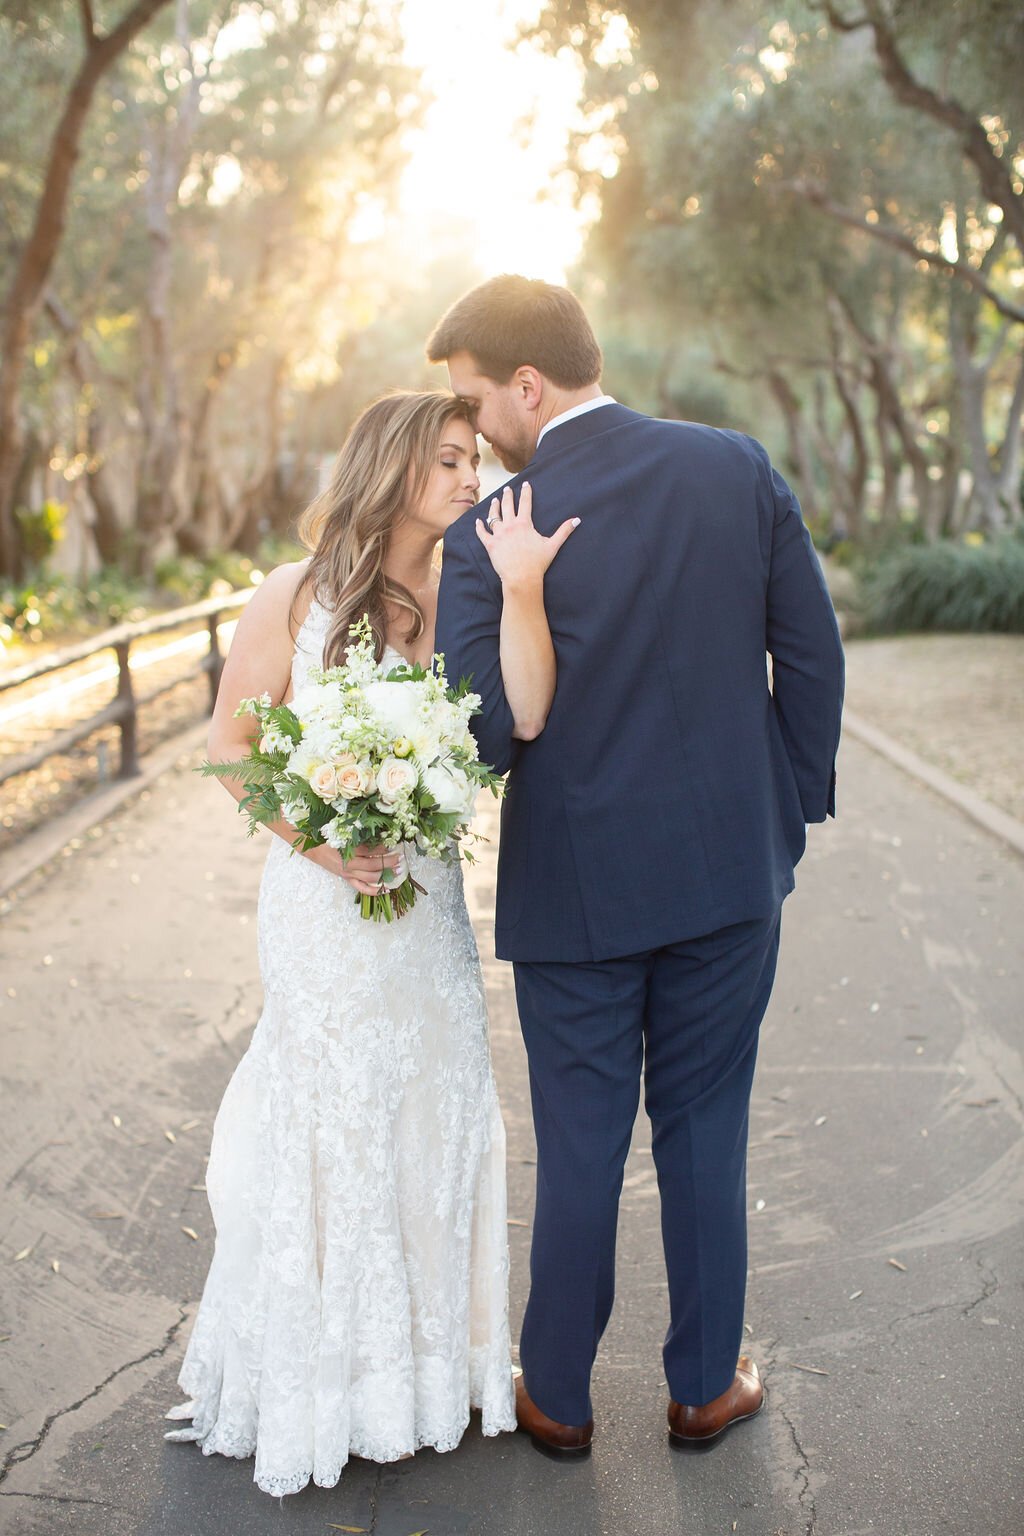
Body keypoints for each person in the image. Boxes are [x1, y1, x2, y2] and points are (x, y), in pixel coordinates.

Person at [428, 275, 845, 1459]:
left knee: (579, 1143)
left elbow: (484, 735)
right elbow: (809, 657)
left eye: (470, 398)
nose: (468, 428)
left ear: (525, 383)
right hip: (727, 869)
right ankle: (707, 1387)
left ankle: (556, 1395)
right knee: (707, 1124)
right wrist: (789, 805)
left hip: (575, 888)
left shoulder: (492, 532)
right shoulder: (734, 469)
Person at [165, 389, 577, 1495]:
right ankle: (325, 1380)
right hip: (321, 904)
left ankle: (432, 1373)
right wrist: (323, 843)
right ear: (393, 468)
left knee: (434, 1103)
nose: (468, 478)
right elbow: (233, 749)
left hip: (426, 901)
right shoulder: (294, 596)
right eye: (448, 460)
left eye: (474, 459)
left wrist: (525, 594)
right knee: (336, 1112)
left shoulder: (472, 594)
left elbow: (514, 724)